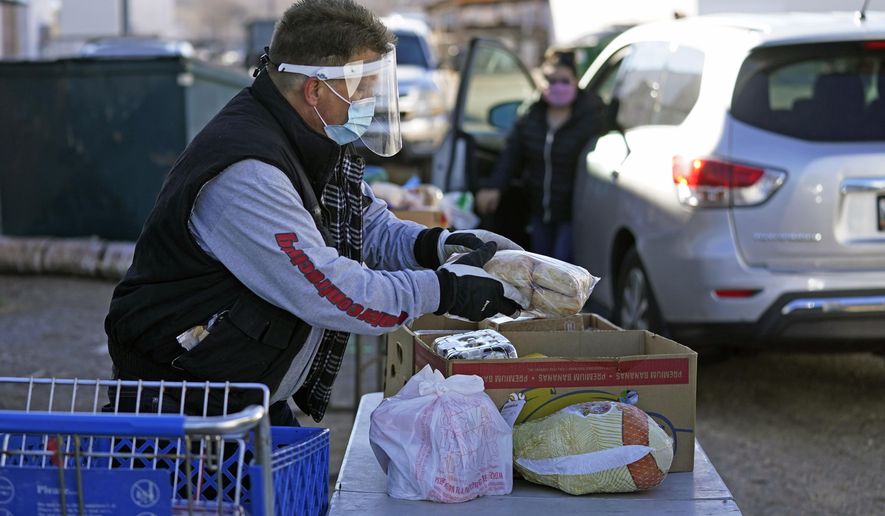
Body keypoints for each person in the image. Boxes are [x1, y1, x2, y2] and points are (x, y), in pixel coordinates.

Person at [103, 0, 523, 426]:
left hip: (243, 394)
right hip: (184, 410)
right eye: (360, 89)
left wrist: (436, 245)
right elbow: (328, 290)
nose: (367, 102)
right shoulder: (247, 173)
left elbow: (368, 225)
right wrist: (443, 290)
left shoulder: (312, 139)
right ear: (315, 90)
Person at [476, 50, 605, 262]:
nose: (558, 86)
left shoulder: (592, 117)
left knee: (562, 269)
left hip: (572, 215)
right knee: (541, 268)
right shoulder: (530, 116)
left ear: (576, 81)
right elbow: (512, 155)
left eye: (564, 80)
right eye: (552, 80)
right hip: (538, 213)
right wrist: (494, 187)